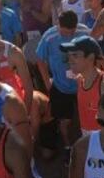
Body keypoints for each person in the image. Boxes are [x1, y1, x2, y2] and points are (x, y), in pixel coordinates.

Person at [35, 11, 90, 161]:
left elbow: (94, 54)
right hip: (61, 87)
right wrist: (47, 81)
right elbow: (39, 59)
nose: (67, 35)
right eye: (64, 32)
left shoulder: (85, 32)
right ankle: (68, 147)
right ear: (58, 25)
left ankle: (88, 145)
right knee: (64, 121)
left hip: (83, 86)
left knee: (87, 118)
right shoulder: (49, 36)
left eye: (71, 33)